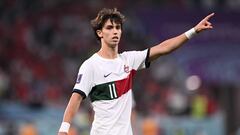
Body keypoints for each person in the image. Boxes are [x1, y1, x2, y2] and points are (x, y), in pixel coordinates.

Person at [58, 8, 214, 135]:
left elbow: (163, 48)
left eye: (118, 28)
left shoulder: (129, 60)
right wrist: (64, 130)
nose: (115, 32)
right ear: (100, 33)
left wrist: (193, 31)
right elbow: (75, 99)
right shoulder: (91, 65)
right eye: (110, 28)